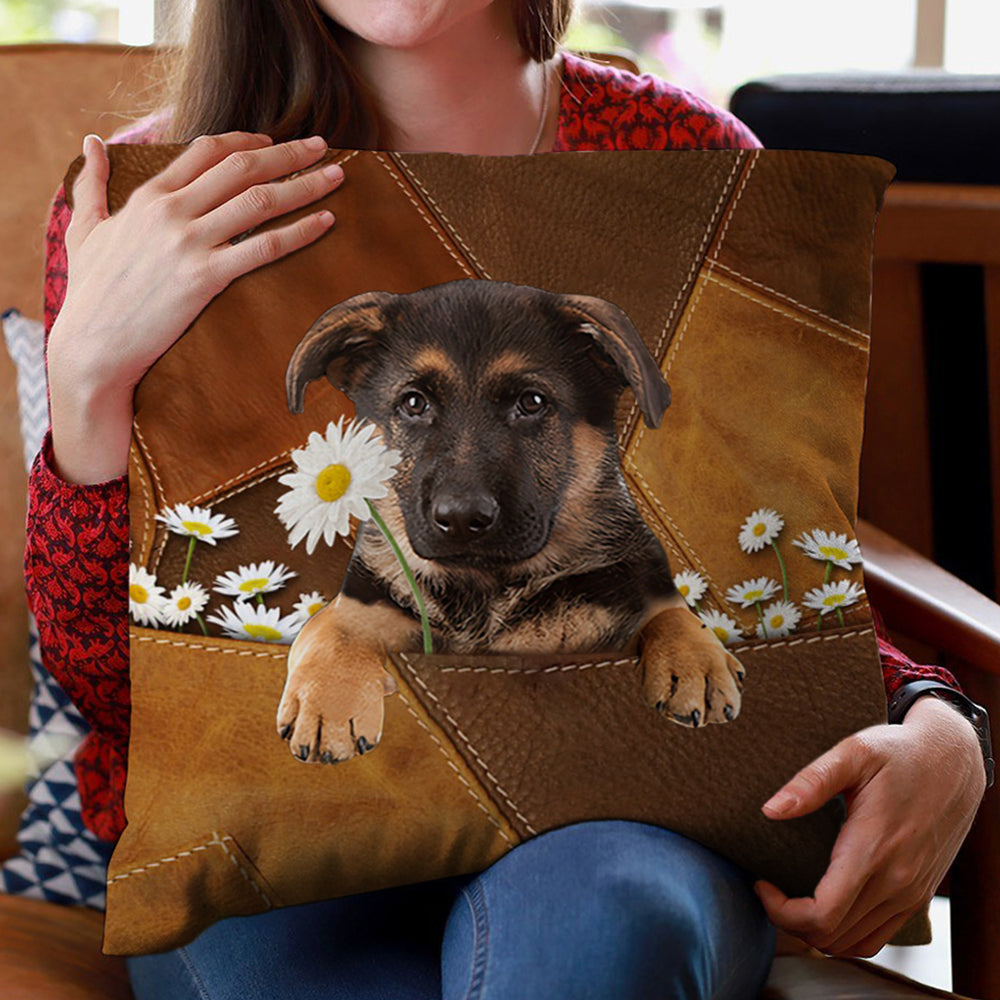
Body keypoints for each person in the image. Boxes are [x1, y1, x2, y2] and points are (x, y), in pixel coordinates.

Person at [24, 1, 988, 997]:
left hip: (616, 812)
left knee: (601, 922)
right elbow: (107, 681)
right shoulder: (158, 202)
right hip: (280, 812)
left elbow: (759, 548)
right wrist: (89, 381)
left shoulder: (688, 167)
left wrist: (935, 714)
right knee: (267, 932)